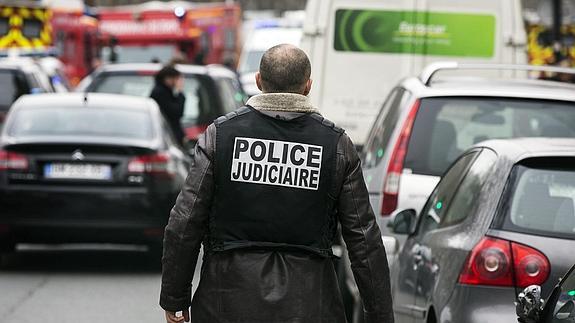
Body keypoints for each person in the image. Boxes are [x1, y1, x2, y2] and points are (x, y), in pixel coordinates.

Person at [160, 44, 393, 323]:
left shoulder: (220, 136)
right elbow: (363, 240)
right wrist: (379, 315)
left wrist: (175, 297)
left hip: (226, 300)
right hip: (311, 304)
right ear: (307, 86)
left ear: (259, 81)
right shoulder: (336, 145)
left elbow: (184, 223)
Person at [150, 65, 186, 144]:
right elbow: (176, 112)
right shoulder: (160, 93)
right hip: (167, 134)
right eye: (176, 79)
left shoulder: (165, 91)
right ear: (168, 78)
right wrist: (180, 93)